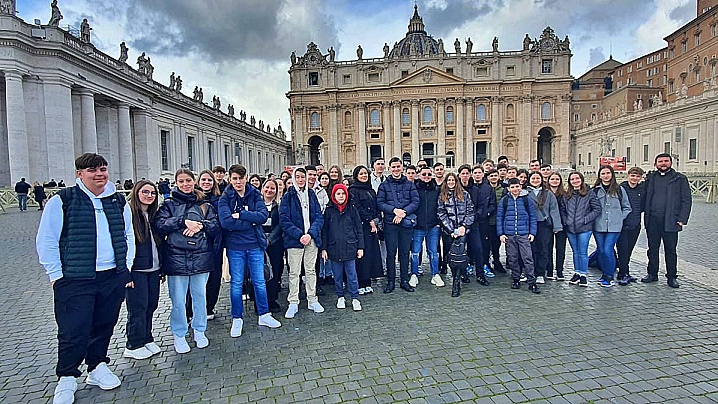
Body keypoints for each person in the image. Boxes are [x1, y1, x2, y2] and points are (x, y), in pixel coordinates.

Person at [37, 153, 135, 404]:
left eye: (103, 169)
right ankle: (67, 376)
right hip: (75, 277)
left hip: (111, 274)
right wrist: (56, 275)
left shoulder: (118, 201)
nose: (99, 174)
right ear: (80, 174)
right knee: (73, 329)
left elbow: (128, 235)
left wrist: (126, 267)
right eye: (92, 170)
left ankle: (97, 365)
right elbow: (46, 239)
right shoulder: (62, 200)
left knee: (104, 324)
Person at [153, 168, 220, 353]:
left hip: (201, 256)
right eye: (181, 181)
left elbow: (215, 226)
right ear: (176, 183)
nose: (185, 184)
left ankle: (199, 329)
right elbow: (159, 224)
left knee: (200, 296)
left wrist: (199, 225)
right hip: (176, 257)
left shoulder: (204, 204)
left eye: (188, 181)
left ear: (193, 181)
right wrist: (182, 222)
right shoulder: (168, 204)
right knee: (178, 300)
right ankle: (179, 333)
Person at [218, 165, 281, 337]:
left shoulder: (254, 194)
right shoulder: (225, 198)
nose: (238, 182)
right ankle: (237, 318)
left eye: (241, 178)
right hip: (235, 247)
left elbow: (262, 217)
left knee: (259, 281)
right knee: (236, 284)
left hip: (255, 245)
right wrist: (250, 220)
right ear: (230, 179)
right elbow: (226, 222)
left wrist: (241, 215)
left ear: (246, 178)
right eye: (234, 179)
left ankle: (264, 314)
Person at [124, 180, 162, 360]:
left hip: (153, 268)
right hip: (137, 269)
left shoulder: (153, 215)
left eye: (152, 193)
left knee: (151, 304)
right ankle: (133, 343)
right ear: (136, 193)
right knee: (137, 307)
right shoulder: (129, 215)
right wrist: (126, 272)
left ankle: (147, 337)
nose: (149, 196)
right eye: (145, 192)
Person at [641, 153, 692, 288]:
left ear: (671, 162)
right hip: (652, 220)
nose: (663, 163)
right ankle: (652, 274)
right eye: (660, 161)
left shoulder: (679, 179)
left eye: (666, 161)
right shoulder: (650, 178)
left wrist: (682, 219)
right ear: (656, 164)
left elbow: (686, 200)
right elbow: (643, 196)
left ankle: (672, 277)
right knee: (652, 248)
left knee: (670, 250)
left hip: (671, 220)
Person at [280, 167, 325, 318]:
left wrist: (311, 234)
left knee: (311, 270)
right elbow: (284, 220)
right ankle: (293, 301)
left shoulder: (311, 194)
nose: (300, 180)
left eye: (302, 177)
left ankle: (312, 299)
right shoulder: (288, 196)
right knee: (294, 272)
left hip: (311, 239)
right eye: (297, 177)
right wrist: (300, 235)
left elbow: (319, 217)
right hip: (295, 240)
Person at [377, 157, 419, 293]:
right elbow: (380, 203)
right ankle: (391, 281)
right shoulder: (384, 185)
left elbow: (415, 201)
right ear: (390, 169)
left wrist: (404, 213)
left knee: (405, 252)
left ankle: (404, 280)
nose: (396, 169)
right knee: (391, 253)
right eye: (393, 167)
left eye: (398, 167)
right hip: (390, 222)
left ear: (402, 168)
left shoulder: (410, 184)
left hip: (405, 222)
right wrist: (394, 211)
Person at [322, 184, 364, 311]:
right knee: (338, 275)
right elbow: (325, 231)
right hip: (334, 248)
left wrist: (360, 247)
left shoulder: (352, 209)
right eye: (338, 194)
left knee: (352, 274)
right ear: (333, 196)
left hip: (350, 247)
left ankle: (355, 297)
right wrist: (324, 249)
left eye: (343, 193)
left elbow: (358, 229)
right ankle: (340, 296)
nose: (341, 196)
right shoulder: (329, 211)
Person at [496, 178, 540, 294]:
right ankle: (516, 278)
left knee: (527, 258)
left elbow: (532, 217)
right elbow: (499, 217)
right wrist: (501, 233)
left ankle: (532, 281)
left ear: (520, 187)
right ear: (509, 189)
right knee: (512, 258)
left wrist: (532, 232)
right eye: (513, 187)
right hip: (510, 235)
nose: (515, 189)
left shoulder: (527, 200)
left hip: (523, 234)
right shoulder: (504, 201)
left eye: (517, 186)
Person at [190, 170, 223, 320]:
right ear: (198, 181)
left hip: (215, 242)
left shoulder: (219, 199)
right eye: (203, 180)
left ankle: (209, 307)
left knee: (214, 277)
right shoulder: (192, 199)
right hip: (196, 244)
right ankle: (192, 309)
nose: (206, 182)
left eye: (209, 180)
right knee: (196, 278)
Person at [592, 165, 631, 288]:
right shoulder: (595, 190)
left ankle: (609, 276)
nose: (605, 175)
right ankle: (604, 274)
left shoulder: (619, 189)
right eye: (603, 173)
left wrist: (619, 218)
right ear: (599, 176)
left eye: (608, 173)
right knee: (601, 250)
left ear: (612, 174)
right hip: (599, 225)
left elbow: (627, 207)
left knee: (608, 250)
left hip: (614, 226)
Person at [437, 173, 476, 296]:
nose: (451, 182)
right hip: (449, 231)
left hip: (463, 230)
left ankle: (456, 281)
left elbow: (470, 212)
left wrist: (464, 227)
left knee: (460, 254)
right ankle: (458, 274)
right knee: (451, 255)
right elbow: (441, 213)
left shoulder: (465, 195)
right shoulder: (442, 196)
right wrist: (451, 229)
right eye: (449, 180)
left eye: (453, 180)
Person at [563, 172, 601, 288]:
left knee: (583, 251)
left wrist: (585, 220)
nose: (575, 181)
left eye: (577, 178)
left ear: (581, 179)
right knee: (575, 252)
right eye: (572, 179)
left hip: (585, 227)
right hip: (571, 227)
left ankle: (583, 274)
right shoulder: (567, 195)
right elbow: (562, 210)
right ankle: (577, 272)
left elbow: (596, 209)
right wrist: (566, 221)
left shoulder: (589, 193)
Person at [349, 165, 382, 295]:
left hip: (371, 226)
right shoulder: (353, 190)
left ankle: (367, 281)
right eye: (361, 174)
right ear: (356, 176)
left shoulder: (371, 190)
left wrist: (376, 220)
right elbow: (357, 207)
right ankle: (359, 282)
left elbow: (376, 207)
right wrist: (369, 220)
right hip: (361, 226)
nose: (364, 176)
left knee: (370, 254)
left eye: (366, 174)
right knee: (361, 254)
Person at [526, 172, 562, 285]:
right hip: (529, 224)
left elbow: (554, 210)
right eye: (533, 178)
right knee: (530, 250)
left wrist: (557, 226)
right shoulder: (525, 193)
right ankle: (530, 272)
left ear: (542, 180)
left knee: (543, 249)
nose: (535, 180)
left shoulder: (548, 194)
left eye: (538, 178)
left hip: (543, 224)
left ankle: (540, 273)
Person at [410, 165, 442, 288]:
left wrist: (439, 222)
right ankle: (414, 274)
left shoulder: (437, 189)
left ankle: (435, 274)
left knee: (433, 252)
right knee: (415, 252)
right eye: (424, 174)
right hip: (418, 226)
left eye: (429, 174)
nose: (427, 177)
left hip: (433, 225)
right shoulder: (414, 189)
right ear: (419, 175)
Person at [616, 167, 645, 285]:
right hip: (622, 225)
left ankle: (624, 272)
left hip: (635, 224)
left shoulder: (642, 189)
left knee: (629, 250)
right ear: (628, 176)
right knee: (622, 250)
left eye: (637, 176)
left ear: (640, 178)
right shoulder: (620, 188)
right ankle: (622, 274)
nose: (634, 178)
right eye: (632, 176)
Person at [261, 179, 285, 312]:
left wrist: (270, 239)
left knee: (274, 271)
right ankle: (260, 299)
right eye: (267, 188)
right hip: (258, 241)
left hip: (274, 243)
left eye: (272, 188)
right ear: (263, 188)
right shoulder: (256, 205)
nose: (269, 190)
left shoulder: (279, 206)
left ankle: (272, 299)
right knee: (259, 272)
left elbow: (280, 225)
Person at [471, 165, 496, 282]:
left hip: (484, 220)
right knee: (471, 245)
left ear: (482, 174)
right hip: (471, 221)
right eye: (475, 173)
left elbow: (492, 204)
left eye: (479, 173)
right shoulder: (469, 187)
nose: (477, 175)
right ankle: (471, 263)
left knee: (484, 245)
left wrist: (485, 213)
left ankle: (484, 264)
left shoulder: (488, 188)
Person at [547, 172, 568, 281]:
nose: (555, 181)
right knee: (548, 248)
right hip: (548, 225)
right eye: (552, 179)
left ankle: (559, 271)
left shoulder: (565, 194)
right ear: (548, 181)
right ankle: (549, 270)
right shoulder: (545, 194)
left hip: (562, 225)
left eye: (557, 179)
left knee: (560, 249)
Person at [485, 169, 506, 273]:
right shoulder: (485, 189)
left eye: (495, 175)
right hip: (487, 221)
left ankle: (497, 261)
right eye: (491, 176)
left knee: (497, 244)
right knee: (487, 244)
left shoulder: (503, 190)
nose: (493, 177)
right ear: (488, 177)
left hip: (499, 221)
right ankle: (487, 263)